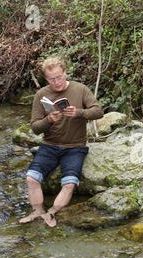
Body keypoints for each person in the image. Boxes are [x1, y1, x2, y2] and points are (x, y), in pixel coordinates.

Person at [19, 57, 104, 227]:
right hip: (49, 145)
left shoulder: (80, 89)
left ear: (65, 73)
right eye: (51, 79)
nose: (56, 82)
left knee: (70, 183)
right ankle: (38, 211)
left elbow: (98, 111)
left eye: (59, 77)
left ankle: (52, 212)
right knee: (31, 178)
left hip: (75, 147)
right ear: (46, 78)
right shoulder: (41, 95)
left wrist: (79, 113)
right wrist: (49, 119)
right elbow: (35, 128)